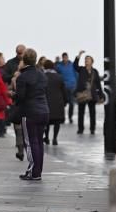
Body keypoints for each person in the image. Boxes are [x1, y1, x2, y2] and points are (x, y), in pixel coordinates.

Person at [14, 49, 49, 181]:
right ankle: (37, 171)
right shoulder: (42, 74)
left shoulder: (22, 77)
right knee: (39, 142)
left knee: (30, 142)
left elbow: (20, 97)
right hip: (44, 111)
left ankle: (33, 172)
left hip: (30, 112)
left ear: (24, 60)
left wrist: (13, 96)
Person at [74, 50, 104, 135]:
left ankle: (92, 129)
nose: (86, 60)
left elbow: (98, 84)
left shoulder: (95, 71)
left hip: (92, 95)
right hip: (82, 94)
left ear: (92, 61)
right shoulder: (81, 69)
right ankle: (80, 129)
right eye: (85, 59)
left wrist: (101, 95)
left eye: (88, 59)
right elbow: (75, 66)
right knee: (81, 113)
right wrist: (79, 55)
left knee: (92, 113)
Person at [43, 59, 68, 146]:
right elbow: (64, 91)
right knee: (57, 122)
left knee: (46, 122)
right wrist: (65, 101)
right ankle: (55, 138)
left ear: (44, 66)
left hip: (46, 102)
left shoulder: (42, 76)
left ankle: (46, 137)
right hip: (58, 102)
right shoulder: (59, 77)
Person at [54, 52, 77, 123]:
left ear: (68, 57)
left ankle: (70, 117)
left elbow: (76, 74)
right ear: (62, 58)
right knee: (63, 103)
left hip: (72, 86)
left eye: (66, 57)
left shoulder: (72, 65)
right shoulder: (59, 66)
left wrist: (77, 84)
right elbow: (54, 71)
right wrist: (56, 61)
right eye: (64, 58)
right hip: (63, 87)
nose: (65, 59)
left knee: (72, 103)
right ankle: (62, 117)